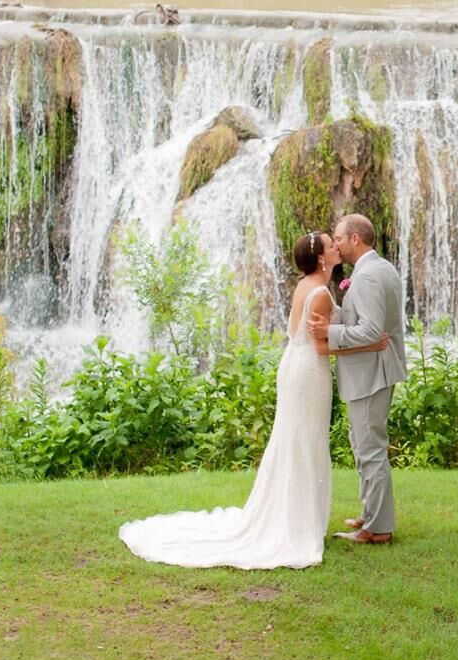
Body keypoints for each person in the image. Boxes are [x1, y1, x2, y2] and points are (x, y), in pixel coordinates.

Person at [118, 230, 390, 569]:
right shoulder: (319, 292)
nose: (337, 246)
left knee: (297, 441)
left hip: (297, 366)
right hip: (308, 371)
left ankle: (296, 517)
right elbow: (322, 346)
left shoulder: (311, 285)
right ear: (321, 258)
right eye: (329, 243)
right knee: (304, 443)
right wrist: (371, 344)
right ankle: (297, 525)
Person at [322, 213, 408, 545]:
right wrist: (340, 315)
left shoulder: (369, 276)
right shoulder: (381, 268)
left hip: (371, 371)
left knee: (370, 448)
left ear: (355, 239)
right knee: (363, 444)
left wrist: (328, 332)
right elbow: (369, 321)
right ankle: (370, 512)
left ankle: (377, 528)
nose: (337, 243)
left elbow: (372, 330)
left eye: (339, 238)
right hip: (373, 369)